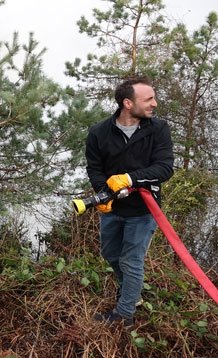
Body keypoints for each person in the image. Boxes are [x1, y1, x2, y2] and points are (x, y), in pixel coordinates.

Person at [84, 76, 174, 328]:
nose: (154, 103)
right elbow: (95, 168)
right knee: (110, 253)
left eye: (154, 98)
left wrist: (130, 178)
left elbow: (165, 168)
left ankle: (124, 315)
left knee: (130, 259)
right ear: (127, 103)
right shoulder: (99, 133)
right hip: (112, 209)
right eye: (148, 99)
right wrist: (103, 193)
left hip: (143, 209)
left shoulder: (158, 130)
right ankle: (131, 293)